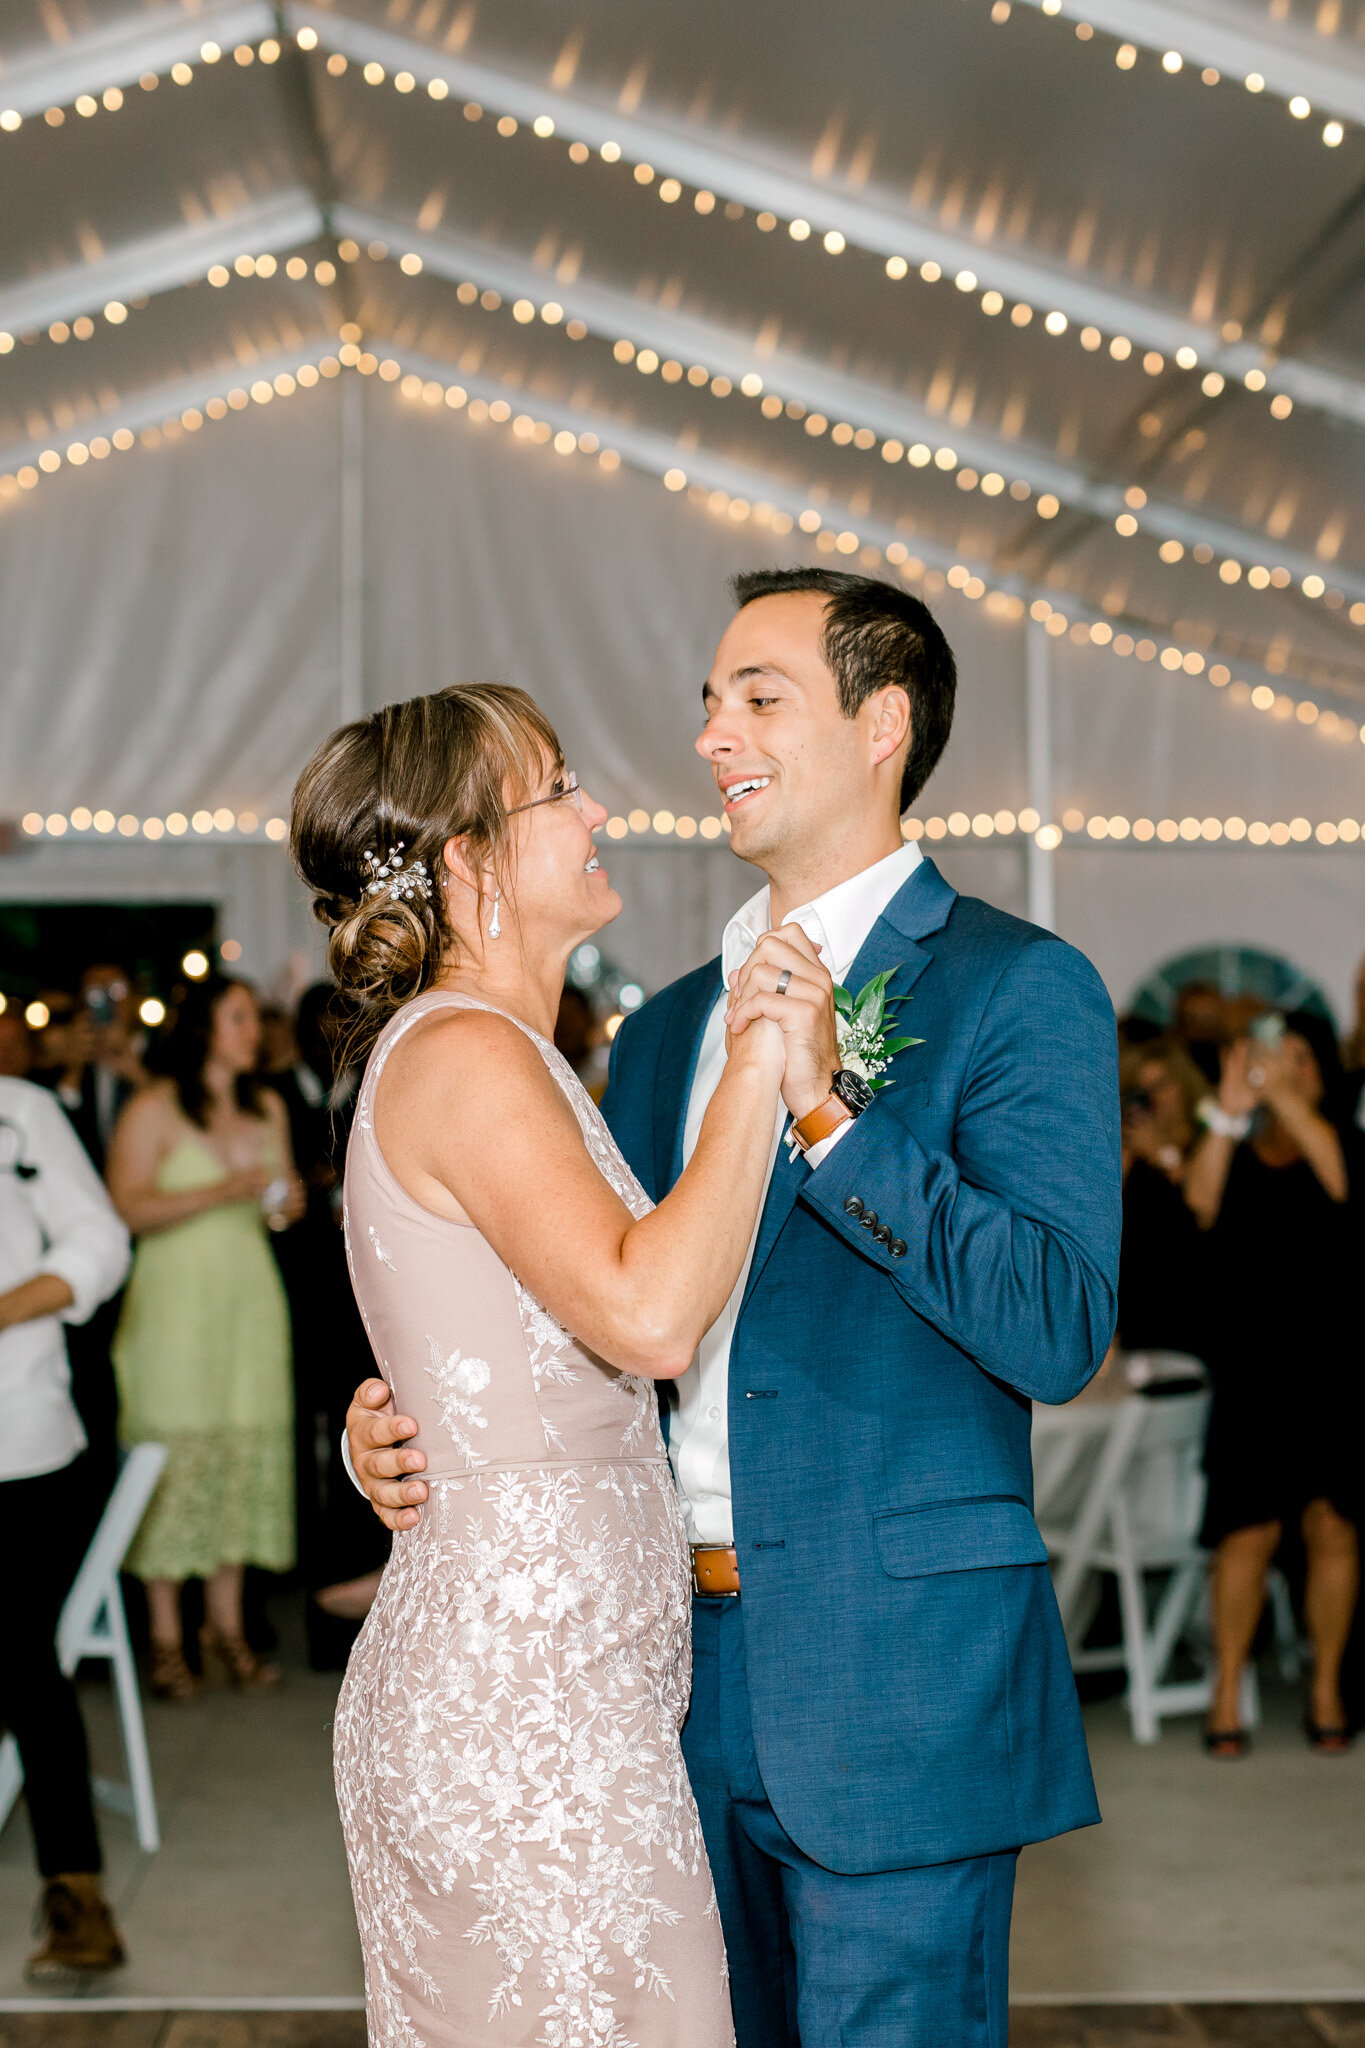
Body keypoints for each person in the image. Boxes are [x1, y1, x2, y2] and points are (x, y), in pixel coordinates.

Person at [347, 570, 1121, 2048]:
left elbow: (1056, 1324)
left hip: (894, 1677)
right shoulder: (653, 1035)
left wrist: (829, 1116)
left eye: (758, 696)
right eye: (708, 702)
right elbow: (571, 1299)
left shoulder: (1017, 988)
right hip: (648, 1693)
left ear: (881, 722)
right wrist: (401, 1416)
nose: (712, 734)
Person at [292, 681, 790, 2048]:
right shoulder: (467, 1054)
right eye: (560, 788)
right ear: (467, 862)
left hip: (564, 1701)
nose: (599, 811)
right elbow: (645, 1318)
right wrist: (764, 1056)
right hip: (524, 1719)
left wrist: (389, 1424)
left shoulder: (505, 1053)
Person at [106, 977, 304, 1700]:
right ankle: (166, 1640)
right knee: (175, 1458)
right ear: (205, 1030)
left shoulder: (268, 1105)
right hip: (175, 1307)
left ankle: (227, 1630)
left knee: (238, 1454)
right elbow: (125, 1208)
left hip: (246, 1301)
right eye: (240, 1018)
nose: (254, 1030)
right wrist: (226, 1189)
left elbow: (275, 1205)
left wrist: (283, 1207)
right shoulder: (153, 1107)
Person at [1186, 1017, 1361, 1755]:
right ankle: (1225, 1690)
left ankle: (1325, 1687)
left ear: (1319, 1071)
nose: (1281, 1073)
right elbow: (1198, 1202)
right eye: (1270, 1061)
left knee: (1331, 1526)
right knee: (1245, 1533)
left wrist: (1286, 1098)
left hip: (1334, 1373)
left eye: (1297, 1061)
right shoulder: (1239, 1151)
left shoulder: (1342, 1142)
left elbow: (1338, 1183)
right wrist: (1225, 1109)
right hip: (1253, 1375)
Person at [0, 1070, 131, 1984]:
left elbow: (102, 1241)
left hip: (22, 1439)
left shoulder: (23, 1111)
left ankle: (76, 1893)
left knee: (18, 1651)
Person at [1117, 1036, 1209, 1361]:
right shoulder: (1128, 1153)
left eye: (1162, 1085)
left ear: (1184, 1085)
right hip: (1137, 1318)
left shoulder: (1207, 1138)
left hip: (1191, 1311)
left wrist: (1162, 1153)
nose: (1153, 1098)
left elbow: (1204, 1209)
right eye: (1142, 1089)